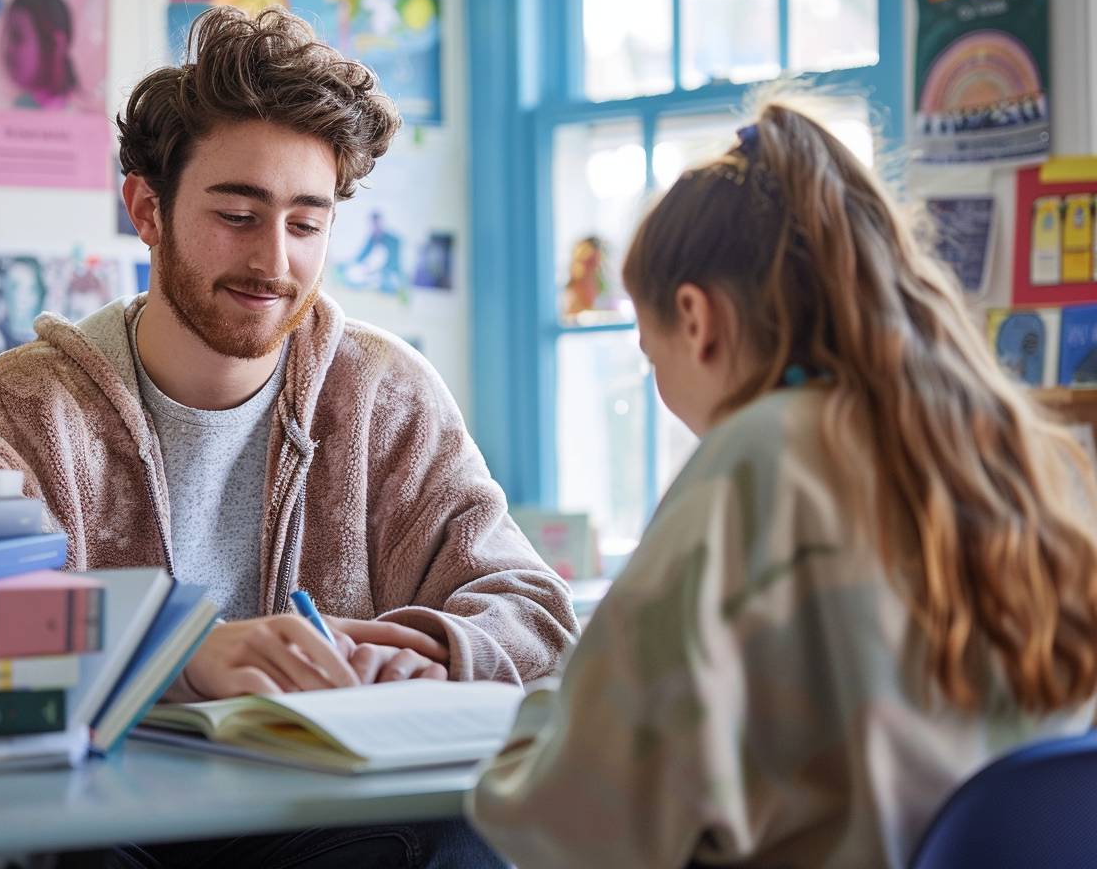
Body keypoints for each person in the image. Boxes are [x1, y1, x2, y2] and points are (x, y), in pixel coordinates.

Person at [0, 5, 575, 868]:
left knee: (482, 833)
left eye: (306, 224)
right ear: (146, 210)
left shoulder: (385, 393)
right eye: (238, 214)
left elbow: (536, 615)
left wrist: (432, 648)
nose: (274, 261)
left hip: (324, 825)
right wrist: (178, 653)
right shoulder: (26, 409)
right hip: (104, 824)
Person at [469, 97, 1097, 867]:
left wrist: (544, 712)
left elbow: (567, 829)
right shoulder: (1011, 452)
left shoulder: (760, 460)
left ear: (697, 320)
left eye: (649, 347)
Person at [1, 0, 81, 111]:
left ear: (56, 44)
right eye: (7, 37)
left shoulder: (78, 110)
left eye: (17, 37)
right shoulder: (20, 106)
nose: (7, 50)